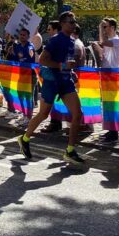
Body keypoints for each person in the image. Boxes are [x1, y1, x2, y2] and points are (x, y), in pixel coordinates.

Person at [16, 11, 87, 166]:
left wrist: (71, 71)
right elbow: (42, 60)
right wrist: (62, 66)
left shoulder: (71, 41)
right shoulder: (56, 40)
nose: (73, 24)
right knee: (43, 114)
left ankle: (70, 150)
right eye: (70, 21)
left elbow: (66, 62)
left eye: (74, 21)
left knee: (78, 114)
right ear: (62, 24)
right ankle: (25, 138)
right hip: (51, 81)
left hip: (65, 82)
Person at [92, 17, 119, 142]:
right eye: (103, 27)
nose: (104, 29)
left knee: (112, 104)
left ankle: (114, 132)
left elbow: (103, 42)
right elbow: (103, 51)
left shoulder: (117, 40)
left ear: (113, 27)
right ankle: (110, 129)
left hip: (112, 75)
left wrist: (100, 29)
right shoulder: (110, 40)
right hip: (106, 74)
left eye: (106, 27)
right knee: (107, 104)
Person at [40, 21, 65, 134]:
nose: (48, 31)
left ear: (55, 30)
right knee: (53, 102)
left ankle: (55, 123)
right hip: (55, 76)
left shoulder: (55, 41)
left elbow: (44, 59)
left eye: (49, 29)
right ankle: (55, 122)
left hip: (53, 77)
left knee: (49, 103)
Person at [8, 27, 36, 126]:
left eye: (24, 35)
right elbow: (14, 60)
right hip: (20, 74)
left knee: (28, 96)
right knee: (20, 95)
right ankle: (24, 115)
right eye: (21, 34)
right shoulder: (17, 46)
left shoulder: (30, 46)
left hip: (30, 75)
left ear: (28, 36)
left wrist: (28, 53)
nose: (22, 36)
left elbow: (30, 56)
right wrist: (10, 51)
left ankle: (29, 117)